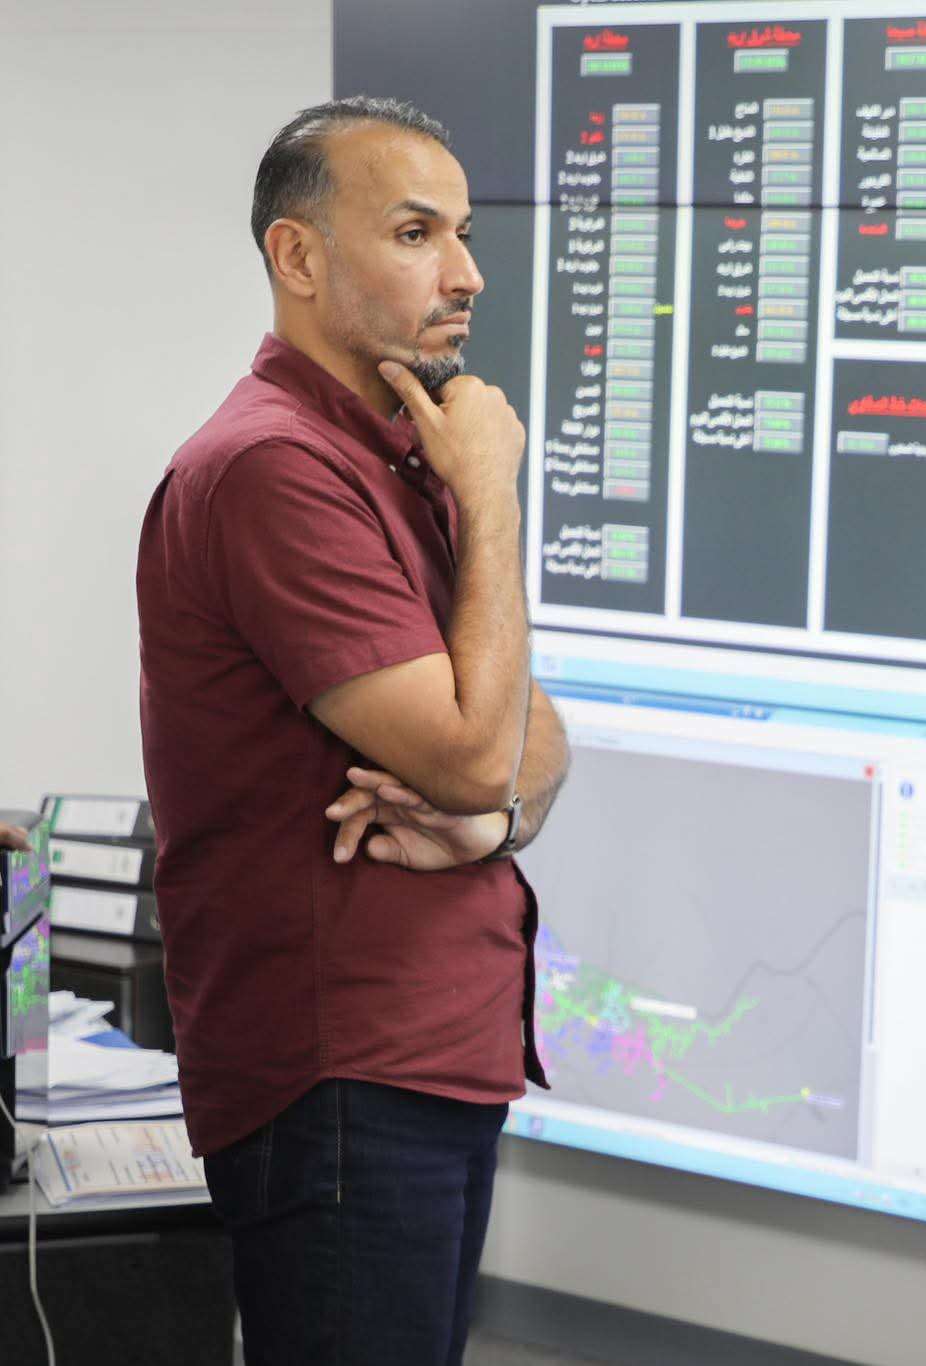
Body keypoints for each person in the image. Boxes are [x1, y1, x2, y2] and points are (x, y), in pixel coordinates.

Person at [136, 97, 566, 1364]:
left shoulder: (391, 455)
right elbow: (477, 745)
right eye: (418, 233)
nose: (467, 274)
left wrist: (486, 825)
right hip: (339, 1083)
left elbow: (535, 738)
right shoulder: (273, 470)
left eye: (465, 234)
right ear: (300, 258)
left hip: (425, 1062)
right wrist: (492, 497)